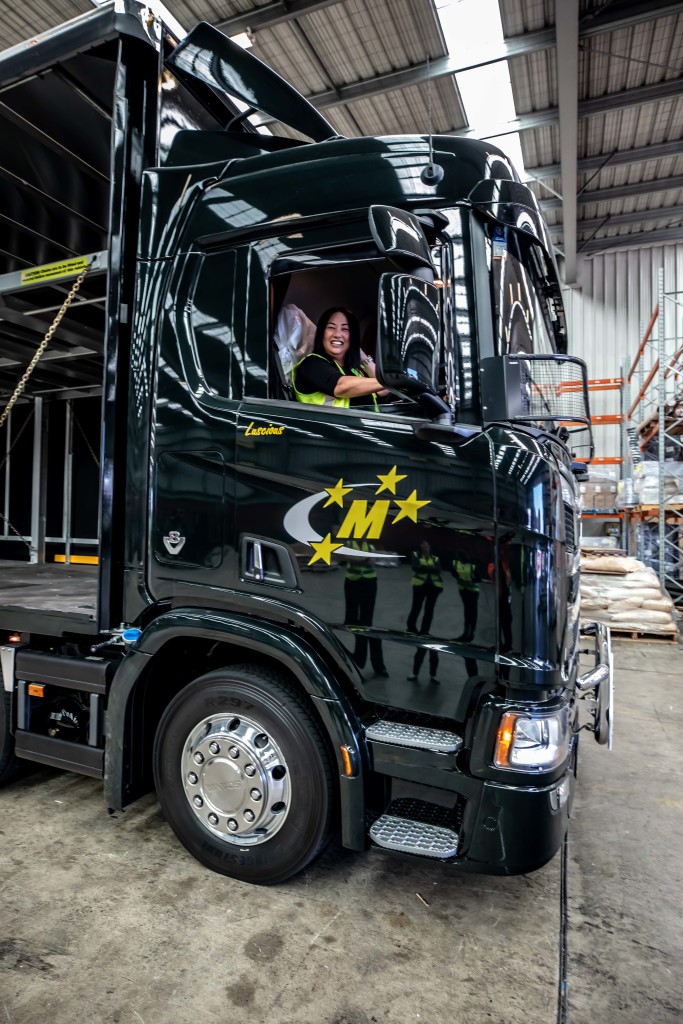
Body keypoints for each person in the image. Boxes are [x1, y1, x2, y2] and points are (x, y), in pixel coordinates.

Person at [291, 307, 388, 408]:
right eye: (331, 327)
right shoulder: (312, 364)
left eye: (345, 329)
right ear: (322, 333)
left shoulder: (353, 370)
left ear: (353, 337)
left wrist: (363, 358)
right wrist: (393, 382)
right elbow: (341, 386)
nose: (337, 334)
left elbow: (384, 390)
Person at [406, 540, 443, 682]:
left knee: (429, 610)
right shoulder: (416, 555)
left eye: (426, 546)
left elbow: (438, 570)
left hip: (433, 587)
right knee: (416, 607)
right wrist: (428, 568)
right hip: (420, 585)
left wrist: (424, 568)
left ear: (430, 547)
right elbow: (415, 568)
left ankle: (424, 629)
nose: (425, 548)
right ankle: (411, 626)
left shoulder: (436, 558)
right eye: (423, 546)